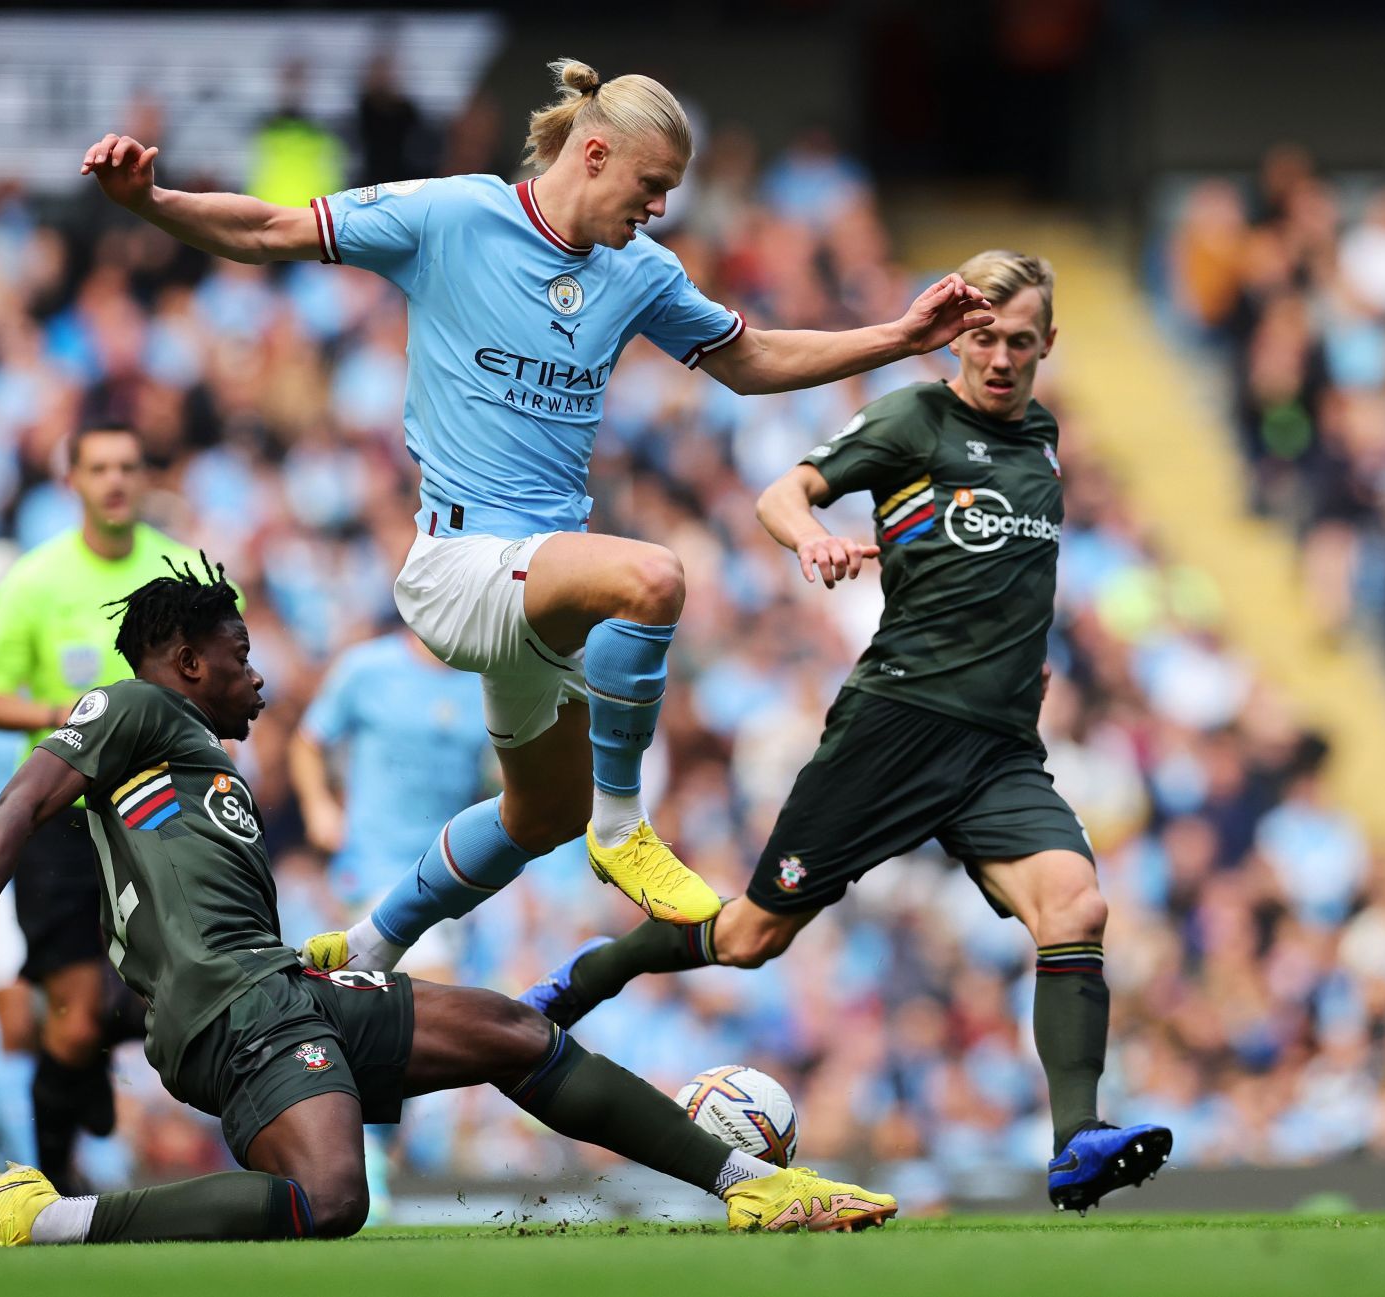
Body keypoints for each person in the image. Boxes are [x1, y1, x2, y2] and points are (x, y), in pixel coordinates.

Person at [78, 58, 993, 973]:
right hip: (462, 564)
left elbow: (748, 359)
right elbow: (276, 227)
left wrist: (899, 339)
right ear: (594, 153)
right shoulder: (452, 216)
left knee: (538, 814)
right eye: (650, 186)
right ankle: (625, 823)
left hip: (537, 589)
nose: (660, 209)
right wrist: (153, 200)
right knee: (654, 578)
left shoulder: (641, 271)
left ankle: (368, 941)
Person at [0, 558, 898, 1247]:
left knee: (512, 1029)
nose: (261, 678)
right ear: (188, 661)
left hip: (272, 989)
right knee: (331, 1202)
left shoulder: (190, 755)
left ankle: (750, 1188)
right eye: (240, 656)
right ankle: (44, 1213)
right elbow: (24, 796)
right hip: (230, 1007)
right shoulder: (137, 706)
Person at [520, 252, 1173, 1214]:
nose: (998, 357)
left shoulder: (1042, 438)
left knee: (1074, 906)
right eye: (982, 336)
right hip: (894, 728)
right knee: (749, 937)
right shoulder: (915, 419)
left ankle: (1077, 1139)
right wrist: (813, 537)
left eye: (1019, 341)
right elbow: (782, 492)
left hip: (998, 745)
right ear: (959, 333)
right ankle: (578, 983)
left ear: (1047, 345)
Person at [0, 425, 209, 1191]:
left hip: (161, 812)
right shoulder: (36, 581)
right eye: (98, 467)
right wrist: (64, 709)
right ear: (71, 479)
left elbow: (227, 674)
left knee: (179, 991)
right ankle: (53, 1180)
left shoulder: (186, 571)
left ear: (145, 478)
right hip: (63, 821)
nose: (114, 480)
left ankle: (101, 1040)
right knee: (70, 1014)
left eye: (128, 466)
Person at [289, 626, 489, 937]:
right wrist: (318, 805)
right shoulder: (368, 668)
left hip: (453, 872)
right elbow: (308, 742)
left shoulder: (488, 682)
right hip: (376, 867)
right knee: (432, 976)